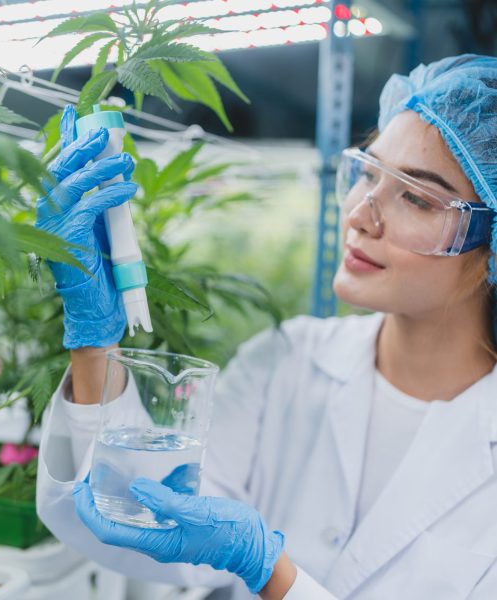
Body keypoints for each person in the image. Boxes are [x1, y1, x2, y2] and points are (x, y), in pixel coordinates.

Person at [35, 54, 497, 599]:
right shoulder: (285, 360)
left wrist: (267, 569)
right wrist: (94, 340)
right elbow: (133, 519)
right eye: (368, 173)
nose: (360, 214)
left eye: (416, 197)